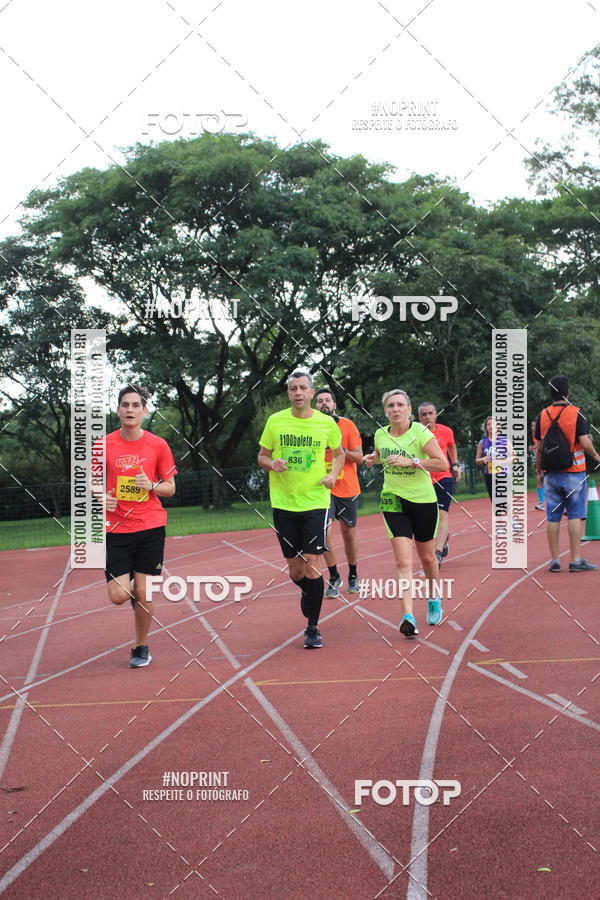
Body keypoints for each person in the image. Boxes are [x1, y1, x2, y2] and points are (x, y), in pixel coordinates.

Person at [258, 371, 344, 648]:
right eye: (293, 388)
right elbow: (262, 455)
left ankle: (312, 628)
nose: (298, 392)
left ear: (311, 392)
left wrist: (334, 476)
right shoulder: (275, 421)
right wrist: (272, 464)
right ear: (288, 393)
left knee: (312, 564)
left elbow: (340, 453)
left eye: (303, 388)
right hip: (283, 503)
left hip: (315, 502)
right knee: (296, 571)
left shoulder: (326, 423)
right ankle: (310, 592)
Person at [103, 385, 177, 667]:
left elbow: (170, 488)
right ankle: (136, 583)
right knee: (119, 596)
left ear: (144, 411)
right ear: (118, 410)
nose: (130, 410)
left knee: (144, 593)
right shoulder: (103, 446)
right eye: (125, 405)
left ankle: (140, 646)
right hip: (114, 530)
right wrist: (101, 497)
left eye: (136, 405)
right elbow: (87, 484)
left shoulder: (158, 445)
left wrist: (152, 486)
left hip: (150, 526)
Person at [363, 389, 448, 636]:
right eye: (391, 406)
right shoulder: (380, 434)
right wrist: (373, 460)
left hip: (422, 501)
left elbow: (441, 463)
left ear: (409, 410)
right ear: (386, 410)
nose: (395, 409)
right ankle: (408, 617)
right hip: (393, 500)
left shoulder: (420, 432)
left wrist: (412, 462)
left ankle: (433, 598)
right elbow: (383, 456)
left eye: (400, 405)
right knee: (402, 561)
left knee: (428, 558)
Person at [534, 373, 600, 573]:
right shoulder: (576, 413)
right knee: (575, 514)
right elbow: (585, 442)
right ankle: (575, 559)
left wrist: (539, 471)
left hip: (551, 473)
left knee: (552, 516)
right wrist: (596, 456)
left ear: (550, 393)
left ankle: (554, 561)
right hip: (574, 472)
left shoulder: (542, 415)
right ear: (568, 392)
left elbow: (539, 447)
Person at [314, 388, 363, 597]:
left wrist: (340, 450)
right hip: (322, 489)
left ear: (334, 404)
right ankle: (334, 576)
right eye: (320, 401)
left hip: (348, 488)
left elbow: (359, 457)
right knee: (324, 534)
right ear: (315, 406)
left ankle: (353, 574)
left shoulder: (347, 425)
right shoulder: (311, 427)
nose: (324, 404)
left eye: (327, 400)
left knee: (349, 535)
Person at [417, 402, 461, 566]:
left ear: (436, 414)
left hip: (443, 477)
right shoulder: (415, 433)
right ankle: (444, 538)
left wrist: (455, 464)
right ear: (419, 417)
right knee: (429, 517)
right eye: (424, 414)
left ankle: (437, 553)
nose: (428, 417)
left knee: (442, 514)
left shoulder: (446, 431)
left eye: (430, 413)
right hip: (422, 480)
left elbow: (452, 446)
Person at [475, 417, 515, 501]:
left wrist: (502, 461)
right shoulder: (482, 442)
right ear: (486, 427)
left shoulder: (505, 441)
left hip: (503, 474)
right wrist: (483, 459)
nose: (491, 426)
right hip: (489, 474)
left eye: (493, 424)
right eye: (489, 424)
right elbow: (477, 460)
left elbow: (514, 457)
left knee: (503, 503)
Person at [529, 420, 545, 510]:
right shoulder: (534, 434)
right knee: (539, 479)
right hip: (539, 459)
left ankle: (547, 502)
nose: (533, 428)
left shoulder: (542, 433)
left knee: (544, 478)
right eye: (532, 426)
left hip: (545, 458)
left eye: (534, 426)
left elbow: (540, 445)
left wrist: (533, 447)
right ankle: (541, 502)